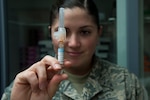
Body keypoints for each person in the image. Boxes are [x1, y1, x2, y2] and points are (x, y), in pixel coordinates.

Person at [1, 0, 148, 100]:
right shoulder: (28, 86)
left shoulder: (126, 83)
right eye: (63, 32)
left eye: (85, 32)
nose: (73, 43)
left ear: (99, 33)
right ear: (50, 33)